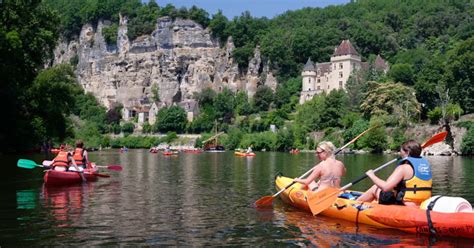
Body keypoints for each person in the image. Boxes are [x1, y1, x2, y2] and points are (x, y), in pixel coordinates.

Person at [357, 140, 432, 206]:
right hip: (422, 203)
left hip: (403, 204)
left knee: (375, 188)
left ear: (407, 152)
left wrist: (372, 175)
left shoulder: (403, 168)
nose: (400, 153)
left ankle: (353, 205)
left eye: (401, 151)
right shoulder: (425, 166)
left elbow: (385, 187)